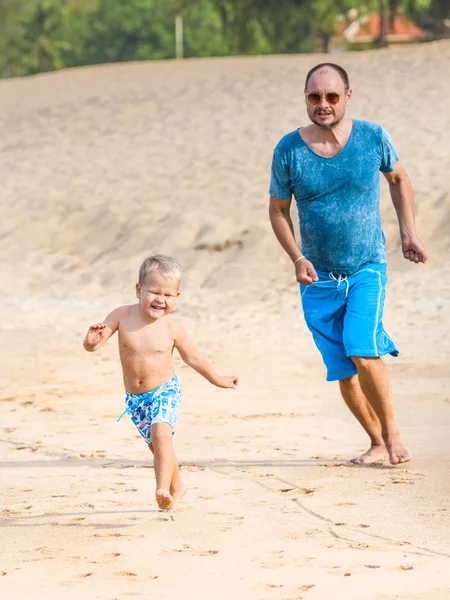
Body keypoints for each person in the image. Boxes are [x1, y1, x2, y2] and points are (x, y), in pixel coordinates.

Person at [269, 62, 427, 466]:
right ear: (306, 98)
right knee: (342, 368)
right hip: (317, 277)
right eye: (315, 97)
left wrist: (408, 233)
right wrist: (297, 257)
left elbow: (399, 180)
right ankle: (375, 442)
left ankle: (393, 434)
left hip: (365, 267)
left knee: (362, 345)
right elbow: (278, 211)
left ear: (348, 96)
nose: (323, 104)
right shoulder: (288, 149)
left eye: (332, 96)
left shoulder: (373, 137)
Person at [83, 254, 238, 512]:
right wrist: (90, 342)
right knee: (158, 447)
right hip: (135, 398)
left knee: (161, 434)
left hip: (165, 390)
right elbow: (96, 343)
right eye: (154, 292)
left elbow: (194, 357)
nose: (160, 299)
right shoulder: (122, 315)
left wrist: (219, 379)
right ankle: (177, 486)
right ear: (138, 290)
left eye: (168, 295)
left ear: (177, 297)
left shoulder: (173, 328)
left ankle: (162, 489)